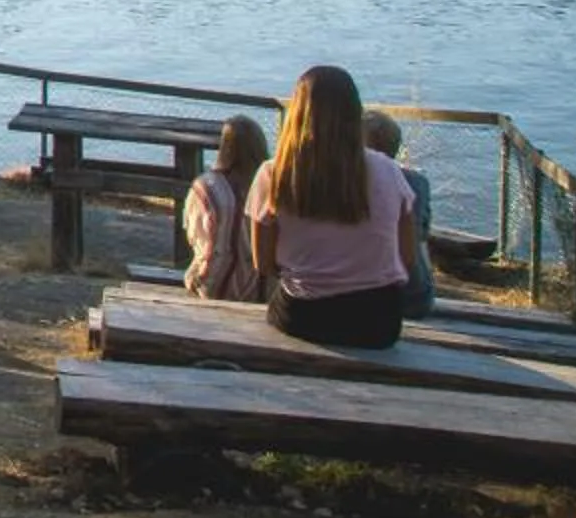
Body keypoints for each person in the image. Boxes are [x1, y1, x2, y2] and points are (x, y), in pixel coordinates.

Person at [244, 64, 420, 349]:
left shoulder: (272, 174)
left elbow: (262, 263)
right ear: (355, 114)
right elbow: (408, 257)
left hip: (303, 315)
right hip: (378, 321)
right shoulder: (388, 170)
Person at [180, 114, 270, 302]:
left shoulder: (205, 188)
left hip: (212, 287)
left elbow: (194, 236)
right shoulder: (272, 187)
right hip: (261, 291)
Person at [362, 109, 435, 319]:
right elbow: (421, 234)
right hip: (414, 295)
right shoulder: (417, 182)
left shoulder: (347, 182)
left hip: (368, 296)